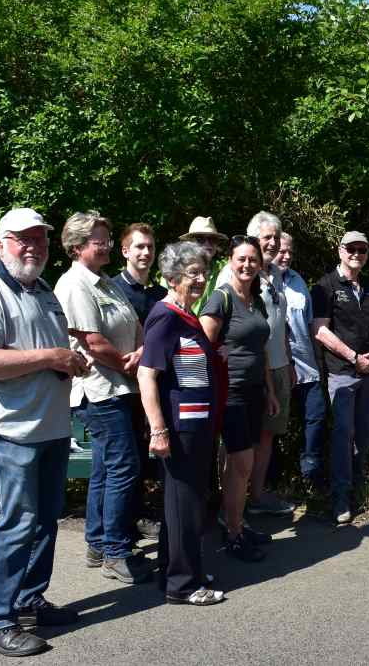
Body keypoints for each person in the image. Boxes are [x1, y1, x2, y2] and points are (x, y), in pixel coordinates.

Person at [0, 208, 89, 656]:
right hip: (11, 429)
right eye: (22, 239)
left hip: (50, 426)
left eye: (40, 239)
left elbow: (47, 350)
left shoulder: (42, 290)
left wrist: (70, 359)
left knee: (45, 520)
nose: (33, 246)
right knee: (18, 524)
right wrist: (52, 356)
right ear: (1, 243)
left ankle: (29, 602)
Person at [54, 212, 152, 582]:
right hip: (99, 390)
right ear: (78, 247)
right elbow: (92, 343)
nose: (108, 245)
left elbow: (136, 325)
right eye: (100, 240)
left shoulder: (105, 282)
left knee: (106, 466)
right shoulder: (75, 285)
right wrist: (131, 366)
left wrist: (141, 352)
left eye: (109, 238)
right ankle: (115, 550)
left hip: (121, 386)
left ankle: (98, 541)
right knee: (124, 465)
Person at [138, 241, 225, 605]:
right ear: (173, 278)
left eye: (204, 273)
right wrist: (158, 430)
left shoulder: (187, 316)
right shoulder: (166, 316)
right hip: (180, 428)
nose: (201, 279)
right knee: (183, 506)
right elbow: (147, 375)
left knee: (186, 504)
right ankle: (183, 585)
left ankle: (175, 573)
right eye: (193, 274)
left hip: (197, 426)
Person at [200, 235, 280, 562]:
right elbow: (201, 345)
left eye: (253, 259)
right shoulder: (222, 298)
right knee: (241, 463)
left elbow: (261, 348)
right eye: (241, 259)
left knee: (240, 467)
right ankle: (233, 534)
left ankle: (237, 523)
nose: (247, 265)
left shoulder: (256, 300)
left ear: (260, 264)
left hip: (255, 392)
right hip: (229, 392)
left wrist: (270, 391)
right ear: (230, 261)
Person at [217, 212, 296, 516]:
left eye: (277, 237)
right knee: (236, 443)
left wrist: (287, 360)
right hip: (247, 371)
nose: (274, 243)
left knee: (265, 437)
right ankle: (230, 508)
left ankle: (256, 499)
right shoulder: (235, 274)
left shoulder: (275, 274)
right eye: (267, 238)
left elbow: (279, 324)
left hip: (275, 366)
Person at [312, 231, 369, 523]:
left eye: (363, 250)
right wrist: (354, 357)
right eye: (352, 248)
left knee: (364, 435)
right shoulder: (324, 286)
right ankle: (340, 497)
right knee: (343, 436)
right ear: (340, 250)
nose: (357, 254)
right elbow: (319, 330)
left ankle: (358, 487)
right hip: (342, 374)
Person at [112, 222, 167, 544]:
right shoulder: (113, 290)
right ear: (125, 251)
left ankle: (146, 515)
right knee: (127, 460)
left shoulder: (159, 294)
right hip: (121, 385)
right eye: (139, 247)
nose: (146, 252)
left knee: (152, 458)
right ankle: (121, 529)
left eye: (150, 247)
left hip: (155, 386)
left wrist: (146, 352)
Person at [274, 232, 327, 489]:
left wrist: (319, 362)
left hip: (306, 365)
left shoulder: (298, 281)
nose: (285, 256)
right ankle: (275, 481)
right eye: (281, 251)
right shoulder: (261, 281)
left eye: (289, 252)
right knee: (273, 425)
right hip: (277, 365)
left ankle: (310, 476)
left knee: (315, 416)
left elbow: (310, 325)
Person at [180, 216, 228, 314]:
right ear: (189, 243)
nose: (207, 244)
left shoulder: (224, 270)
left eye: (212, 239)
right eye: (200, 239)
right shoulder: (176, 270)